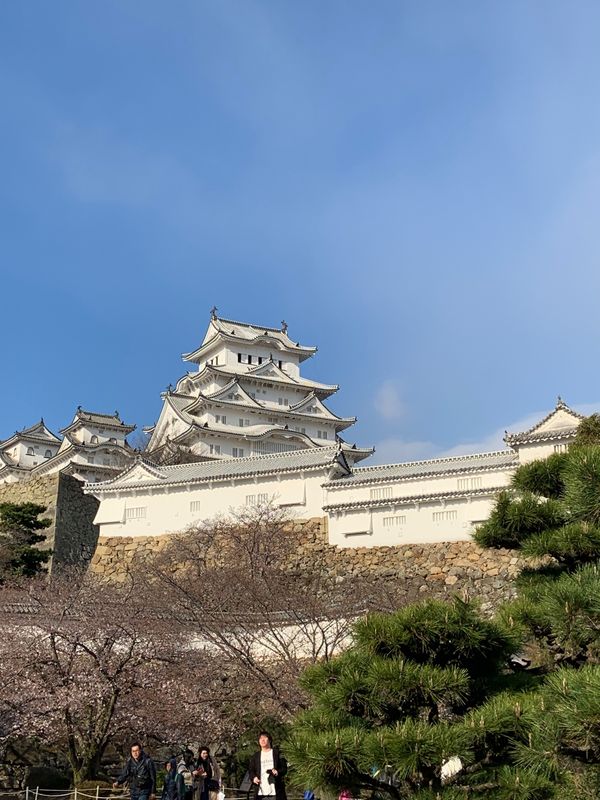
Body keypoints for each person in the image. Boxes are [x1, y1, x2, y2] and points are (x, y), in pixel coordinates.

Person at [248, 732, 287, 800]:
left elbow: (284, 769)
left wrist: (277, 772)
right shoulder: (256, 756)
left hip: (276, 792)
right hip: (260, 792)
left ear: (270, 740)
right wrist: (254, 778)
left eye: (265, 738)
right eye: (260, 738)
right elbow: (251, 770)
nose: (262, 740)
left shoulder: (277, 753)